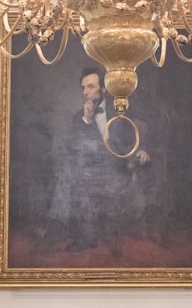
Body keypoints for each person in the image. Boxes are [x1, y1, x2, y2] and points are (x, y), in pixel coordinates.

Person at [45, 67, 152, 256]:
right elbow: (74, 147)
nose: (85, 91)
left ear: (103, 89)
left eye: (91, 86)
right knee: (73, 174)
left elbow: (138, 130)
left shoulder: (121, 109)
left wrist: (143, 148)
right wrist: (87, 119)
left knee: (71, 176)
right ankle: (79, 234)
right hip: (91, 171)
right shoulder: (79, 117)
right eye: (83, 87)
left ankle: (61, 230)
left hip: (118, 170)